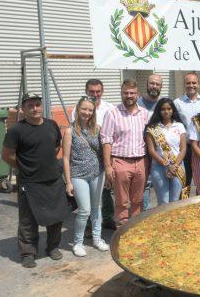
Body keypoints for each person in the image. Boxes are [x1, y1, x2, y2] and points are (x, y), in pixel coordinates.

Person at [1, 93, 68, 268]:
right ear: (23, 109)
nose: (35, 108)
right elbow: (7, 155)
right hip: (29, 182)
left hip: (52, 179)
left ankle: (52, 247)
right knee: (27, 219)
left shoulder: (51, 125)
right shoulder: (16, 130)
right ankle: (28, 253)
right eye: (30, 106)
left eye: (37, 104)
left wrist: (45, 164)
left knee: (55, 216)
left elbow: (56, 146)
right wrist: (24, 166)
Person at [62, 96, 110, 257]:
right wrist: (68, 182)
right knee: (84, 210)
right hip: (78, 175)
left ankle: (97, 238)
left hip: (97, 173)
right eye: (84, 109)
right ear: (78, 109)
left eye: (90, 110)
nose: (87, 112)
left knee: (97, 208)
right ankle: (78, 242)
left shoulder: (97, 129)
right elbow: (66, 158)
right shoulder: (69, 131)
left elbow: (104, 152)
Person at [100, 79, 150, 227]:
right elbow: (106, 140)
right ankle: (121, 229)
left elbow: (149, 138)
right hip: (120, 161)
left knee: (138, 199)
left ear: (137, 95)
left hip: (141, 161)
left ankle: (135, 228)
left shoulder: (145, 114)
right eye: (126, 93)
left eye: (132, 93)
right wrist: (108, 166)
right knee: (121, 201)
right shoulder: (113, 113)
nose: (129, 96)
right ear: (121, 94)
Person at [72, 79, 116, 230]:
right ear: (86, 91)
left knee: (106, 188)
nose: (95, 94)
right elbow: (77, 131)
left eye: (98, 91)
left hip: (106, 150)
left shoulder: (110, 108)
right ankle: (91, 224)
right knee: (91, 193)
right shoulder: (79, 108)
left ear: (102, 92)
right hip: (88, 155)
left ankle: (108, 217)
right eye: (92, 91)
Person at [145, 98, 188, 205]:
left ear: (173, 110)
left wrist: (174, 166)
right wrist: (167, 164)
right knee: (163, 201)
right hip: (159, 167)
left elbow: (183, 149)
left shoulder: (179, 126)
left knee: (175, 201)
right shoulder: (152, 128)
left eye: (169, 108)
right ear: (158, 111)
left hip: (177, 166)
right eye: (163, 109)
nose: (166, 111)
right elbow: (151, 151)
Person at [138, 74, 163, 210]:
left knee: (162, 183)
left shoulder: (164, 104)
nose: (154, 86)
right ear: (147, 84)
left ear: (161, 87)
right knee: (144, 185)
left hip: (160, 152)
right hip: (141, 151)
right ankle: (144, 214)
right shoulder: (136, 103)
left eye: (157, 84)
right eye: (152, 83)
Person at [174, 72, 200, 193]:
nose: (191, 85)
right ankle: (184, 205)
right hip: (186, 148)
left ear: (198, 84)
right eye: (188, 83)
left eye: (194, 83)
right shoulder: (177, 103)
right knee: (185, 180)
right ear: (184, 85)